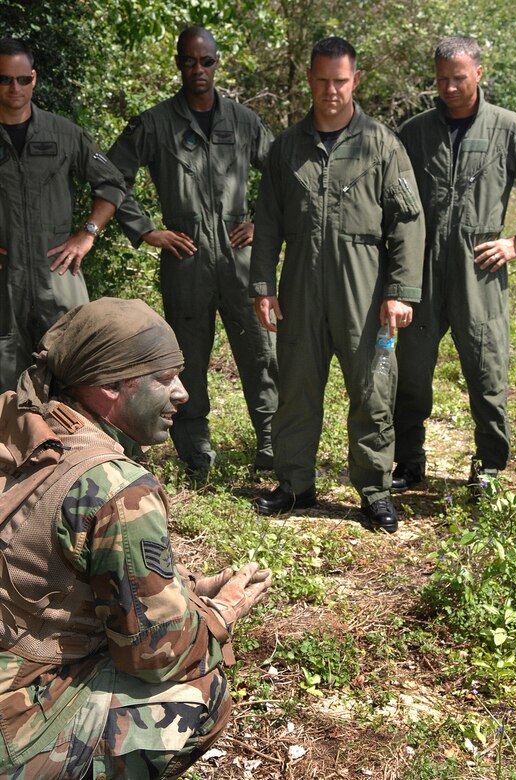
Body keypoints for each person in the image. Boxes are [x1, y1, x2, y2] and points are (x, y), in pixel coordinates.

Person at [0, 297, 272, 779]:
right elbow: (155, 656)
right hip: (11, 720)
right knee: (200, 694)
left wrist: (183, 586)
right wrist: (223, 612)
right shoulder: (116, 487)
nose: (182, 393)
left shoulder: (20, 415)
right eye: (164, 378)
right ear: (107, 387)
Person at [249, 37, 425, 532]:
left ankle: (373, 490)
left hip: (364, 292)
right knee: (296, 388)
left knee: (372, 389)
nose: (332, 91)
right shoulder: (286, 148)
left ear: (356, 81)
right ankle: (295, 485)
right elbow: (266, 222)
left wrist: (400, 290)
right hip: (300, 289)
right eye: (323, 80)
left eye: (341, 81)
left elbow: (408, 222)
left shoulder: (382, 144)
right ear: (309, 77)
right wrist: (263, 286)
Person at [107, 25, 278, 474]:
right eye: (188, 61)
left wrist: (263, 221)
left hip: (240, 259)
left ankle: (272, 442)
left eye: (206, 61)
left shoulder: (243, 121)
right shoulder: (157, 123)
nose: (198, 70)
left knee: (260, 351)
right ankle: (195, 448)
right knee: (189, 357)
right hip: (186, 257)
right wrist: (146, 230)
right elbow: (109, 173)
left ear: (217, 63)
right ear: (179, 64)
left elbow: (284, 172)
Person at [392, 35, 516, 492]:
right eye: (442, 78)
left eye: (458, 77)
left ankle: (489, 466)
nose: (449, 87)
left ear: (478, 74)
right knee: (412, 374)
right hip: (422, 272)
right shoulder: (415, 131)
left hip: (480, 270)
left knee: (487, 373)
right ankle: (408, 462)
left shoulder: (511, 128)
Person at [0, 37, 126, 393]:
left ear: (35, 78)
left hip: (57, 276)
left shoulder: (65, 134)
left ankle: (79, 447)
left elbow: (112, 184)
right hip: (4, 282)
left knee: (74, 369)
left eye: (23, 79)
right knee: (5, 380)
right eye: (5, 79)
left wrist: (87, 233)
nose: (15, 88)